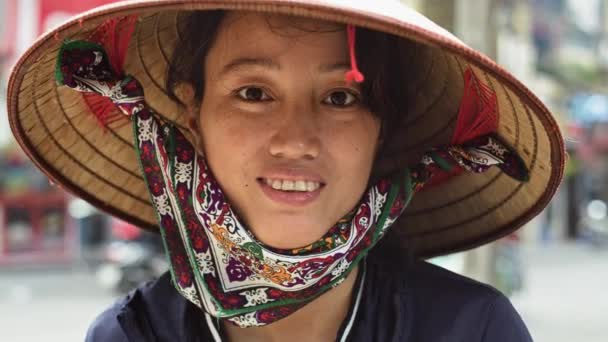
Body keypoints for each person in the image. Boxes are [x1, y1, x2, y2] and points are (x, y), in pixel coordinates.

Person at [6, 1, 564, 341]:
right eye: (254, 93)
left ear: (383, 131)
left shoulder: (470, 331)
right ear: (192, 115)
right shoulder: (130, 336)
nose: (297, 139)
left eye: (341, 98)